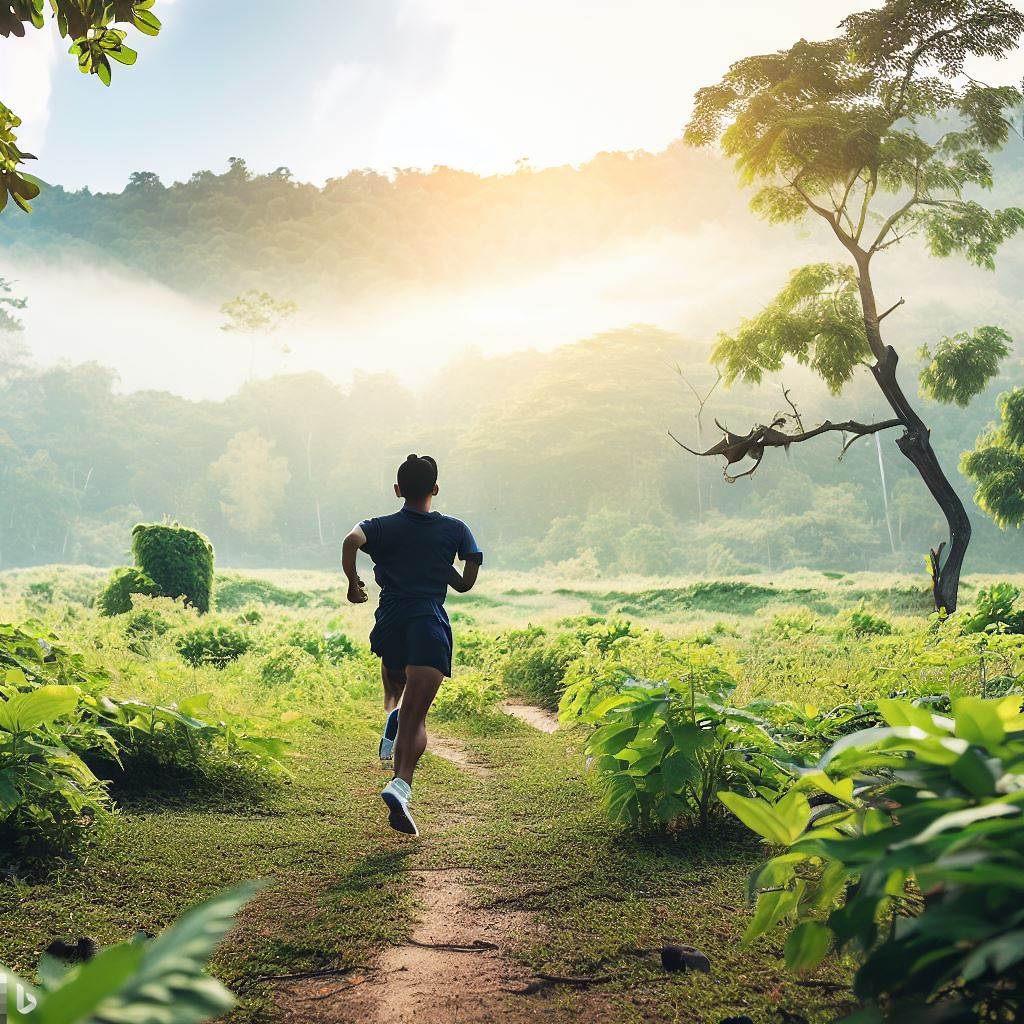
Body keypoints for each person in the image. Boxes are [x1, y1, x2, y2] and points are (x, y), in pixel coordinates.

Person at [342, 454, 483, 836]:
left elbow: (351, 540)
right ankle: (400, 785)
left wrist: (353, 584)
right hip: (428, 624)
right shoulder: (455, 529)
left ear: (398, 490)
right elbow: (466, 582)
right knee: (415, 717)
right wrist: (442, 567)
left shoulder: (381, 527)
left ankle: (394, 714)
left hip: (390, 622)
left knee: (398, 694)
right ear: (435, 489)